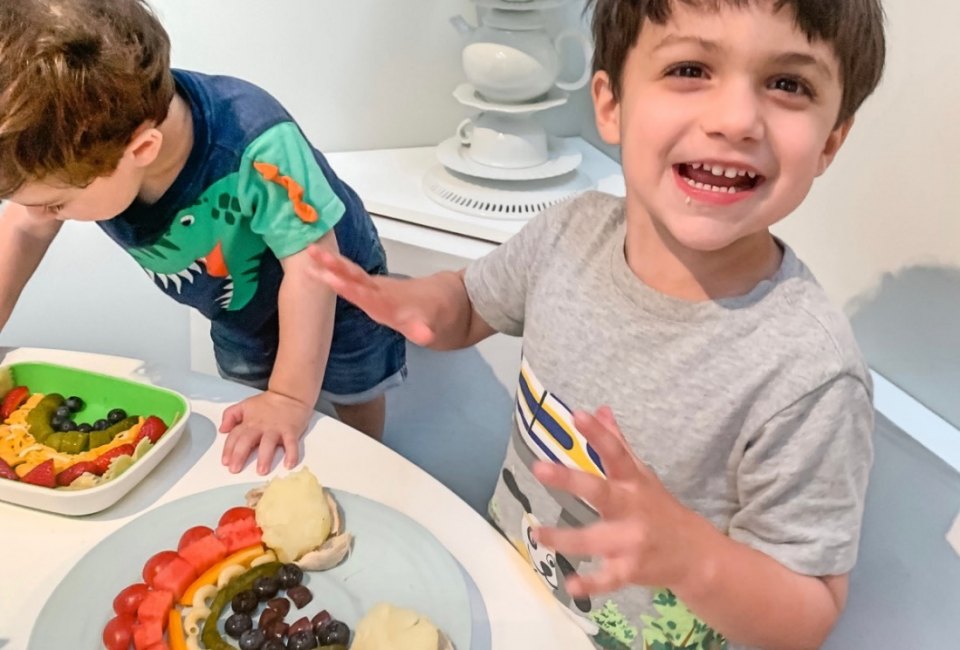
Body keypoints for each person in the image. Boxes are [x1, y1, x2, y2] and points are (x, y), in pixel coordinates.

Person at [308, 0, 886, 647]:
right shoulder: (568, 232)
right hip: (505, 600)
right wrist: (417, 303)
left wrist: (696, 558)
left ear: (831, 139)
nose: (735, 120)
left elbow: (807, 615)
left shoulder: (809, 376)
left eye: (788, 84)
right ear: (611, 104)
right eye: (691, 68)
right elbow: (470, 305)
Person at [0, 0, 405, 475]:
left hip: (339, 290)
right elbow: (24, 228)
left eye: (56, 204)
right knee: (249, 399)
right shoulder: (86, 151)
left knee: (353, 388)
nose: (39, 213)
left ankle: (366, 463)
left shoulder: (258, 141)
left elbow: (312, 270)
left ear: (142, 150)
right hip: (238, 311)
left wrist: (290, 398)